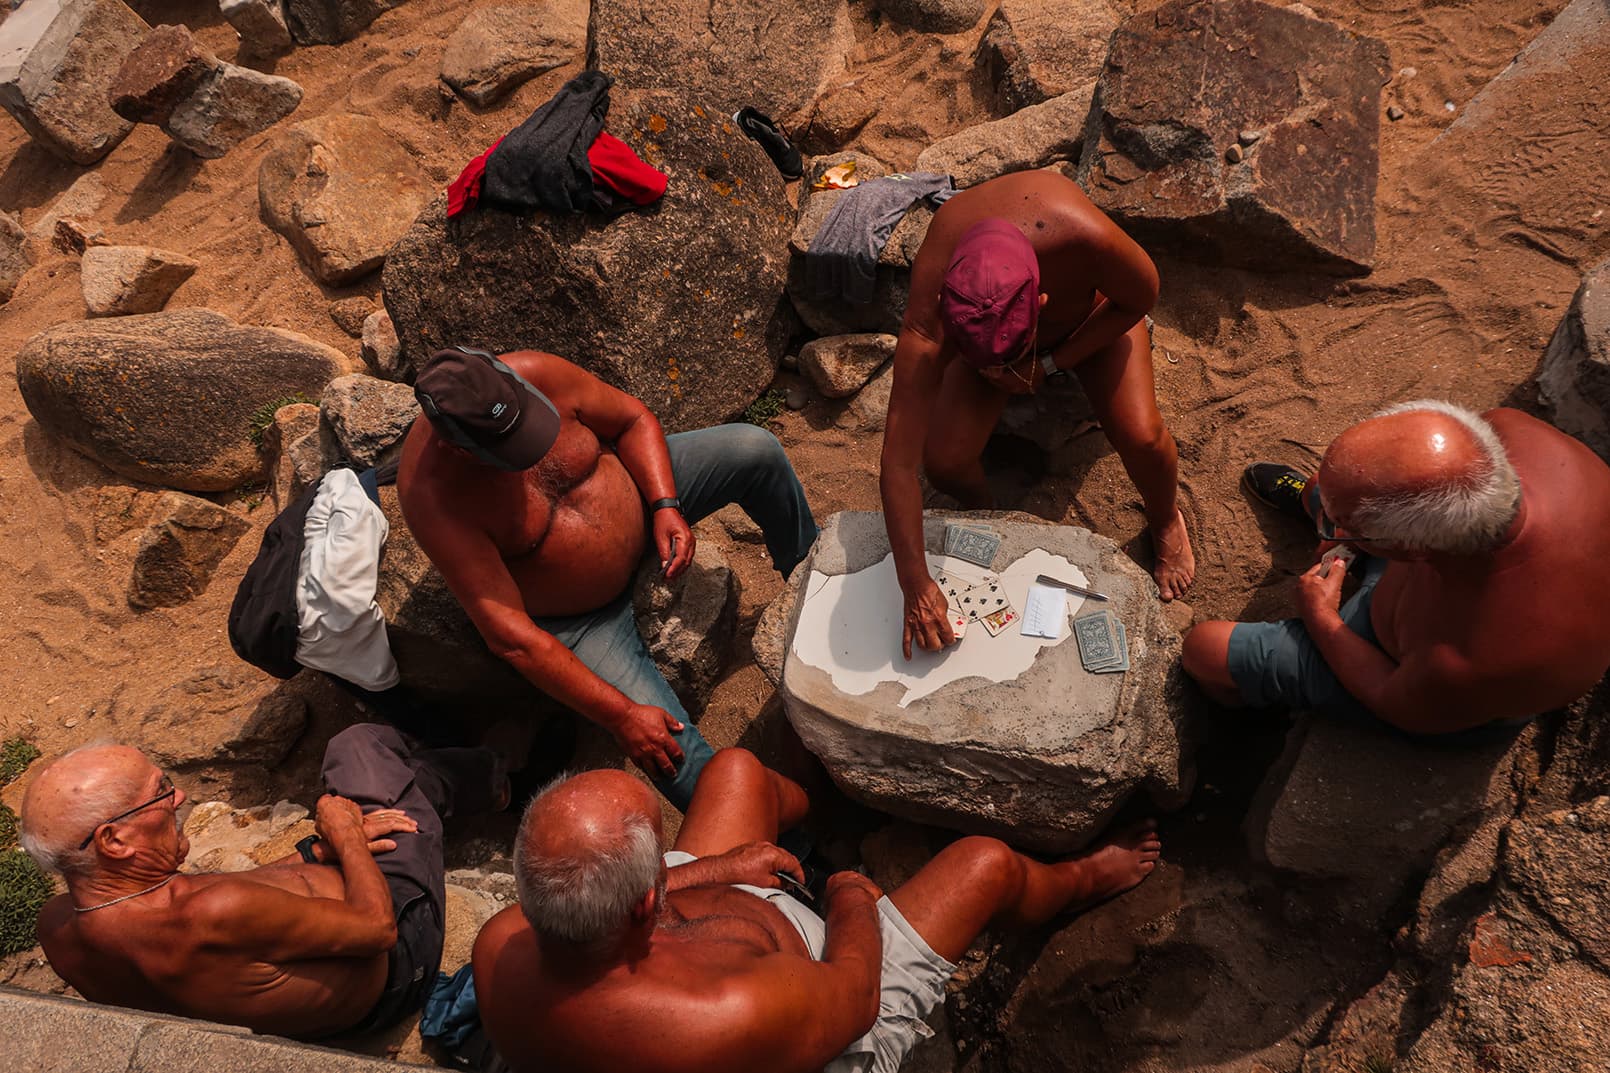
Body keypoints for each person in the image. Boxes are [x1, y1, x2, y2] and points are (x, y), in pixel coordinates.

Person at [472, 749, 1162, 1073]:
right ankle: (1078, 878)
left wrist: (720, 866)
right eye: (661, 844)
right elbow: (855, 994)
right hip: (832, 1010)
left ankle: (830, 792)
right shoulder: (716, 1021)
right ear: (643, 902)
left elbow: (622, 922)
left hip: (731, 951)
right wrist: (851, 895)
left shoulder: (505, 943)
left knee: (736, 771)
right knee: (984, 863)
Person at [396, 346, 818, 811]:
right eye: (506, 451)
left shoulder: (536, 373)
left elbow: (633, 420)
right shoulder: (433, 496)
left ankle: (813, 581)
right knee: (666, 746)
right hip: (583, 618)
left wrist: (665, 504)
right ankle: (785, 854)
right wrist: (621, 717)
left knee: (754, 449)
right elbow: (511, 637)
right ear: (456, 448)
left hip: (641, 499)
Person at [879, 170, 1195, 660]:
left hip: (1090, 327)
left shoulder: (1080, 234)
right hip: (995, 355)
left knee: (1144, 438)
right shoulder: (930, 308)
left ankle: (1165, 518)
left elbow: (1140, 297)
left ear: (1041, 302)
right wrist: (915, 583)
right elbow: (898, 460)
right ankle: (995, 518)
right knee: (943, 461)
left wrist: (1049, 363)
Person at [19, 724, 504, 1037]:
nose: (180, 796)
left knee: (395, 777)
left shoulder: (60, 926)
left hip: (323, 1014)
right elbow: (377, 929)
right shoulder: (210, 912)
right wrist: (347, 836)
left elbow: (227, 923)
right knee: (357, 746)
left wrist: (314, 852)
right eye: (161, 792)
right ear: (115, 841)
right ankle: (498, 775)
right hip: (398, 960)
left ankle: (457, 775)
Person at [1182, 400, 1610, 734]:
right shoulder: (1514, 430)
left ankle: (1253, 715)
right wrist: (1341, 533)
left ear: (1410, 551)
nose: (1337, 530)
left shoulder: (1471, 657)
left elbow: (1395, 700)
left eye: (1348, 529)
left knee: (1203, 649)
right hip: (1423, 563)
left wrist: (1323, 618)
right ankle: (1337, 512)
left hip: (1424, 690)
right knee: (1326, 489)